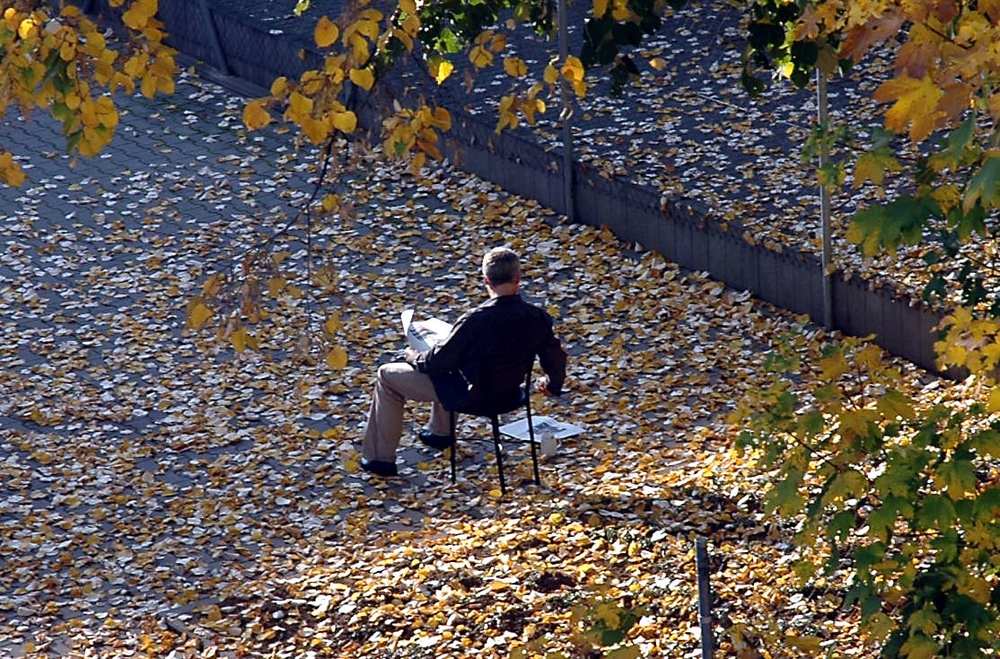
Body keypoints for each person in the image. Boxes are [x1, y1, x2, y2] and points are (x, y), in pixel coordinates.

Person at [360, 247, 568, 477]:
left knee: (386, 375)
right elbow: (555, 356)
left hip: (472, 397)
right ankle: (439, 433)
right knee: (456, 364)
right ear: (518, 279)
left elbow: (436, 362)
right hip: (510, 394)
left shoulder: (474, 320)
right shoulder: (536, 317)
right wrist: (551, 383)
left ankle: (379, 459)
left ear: (486, 280)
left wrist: (413, 356)